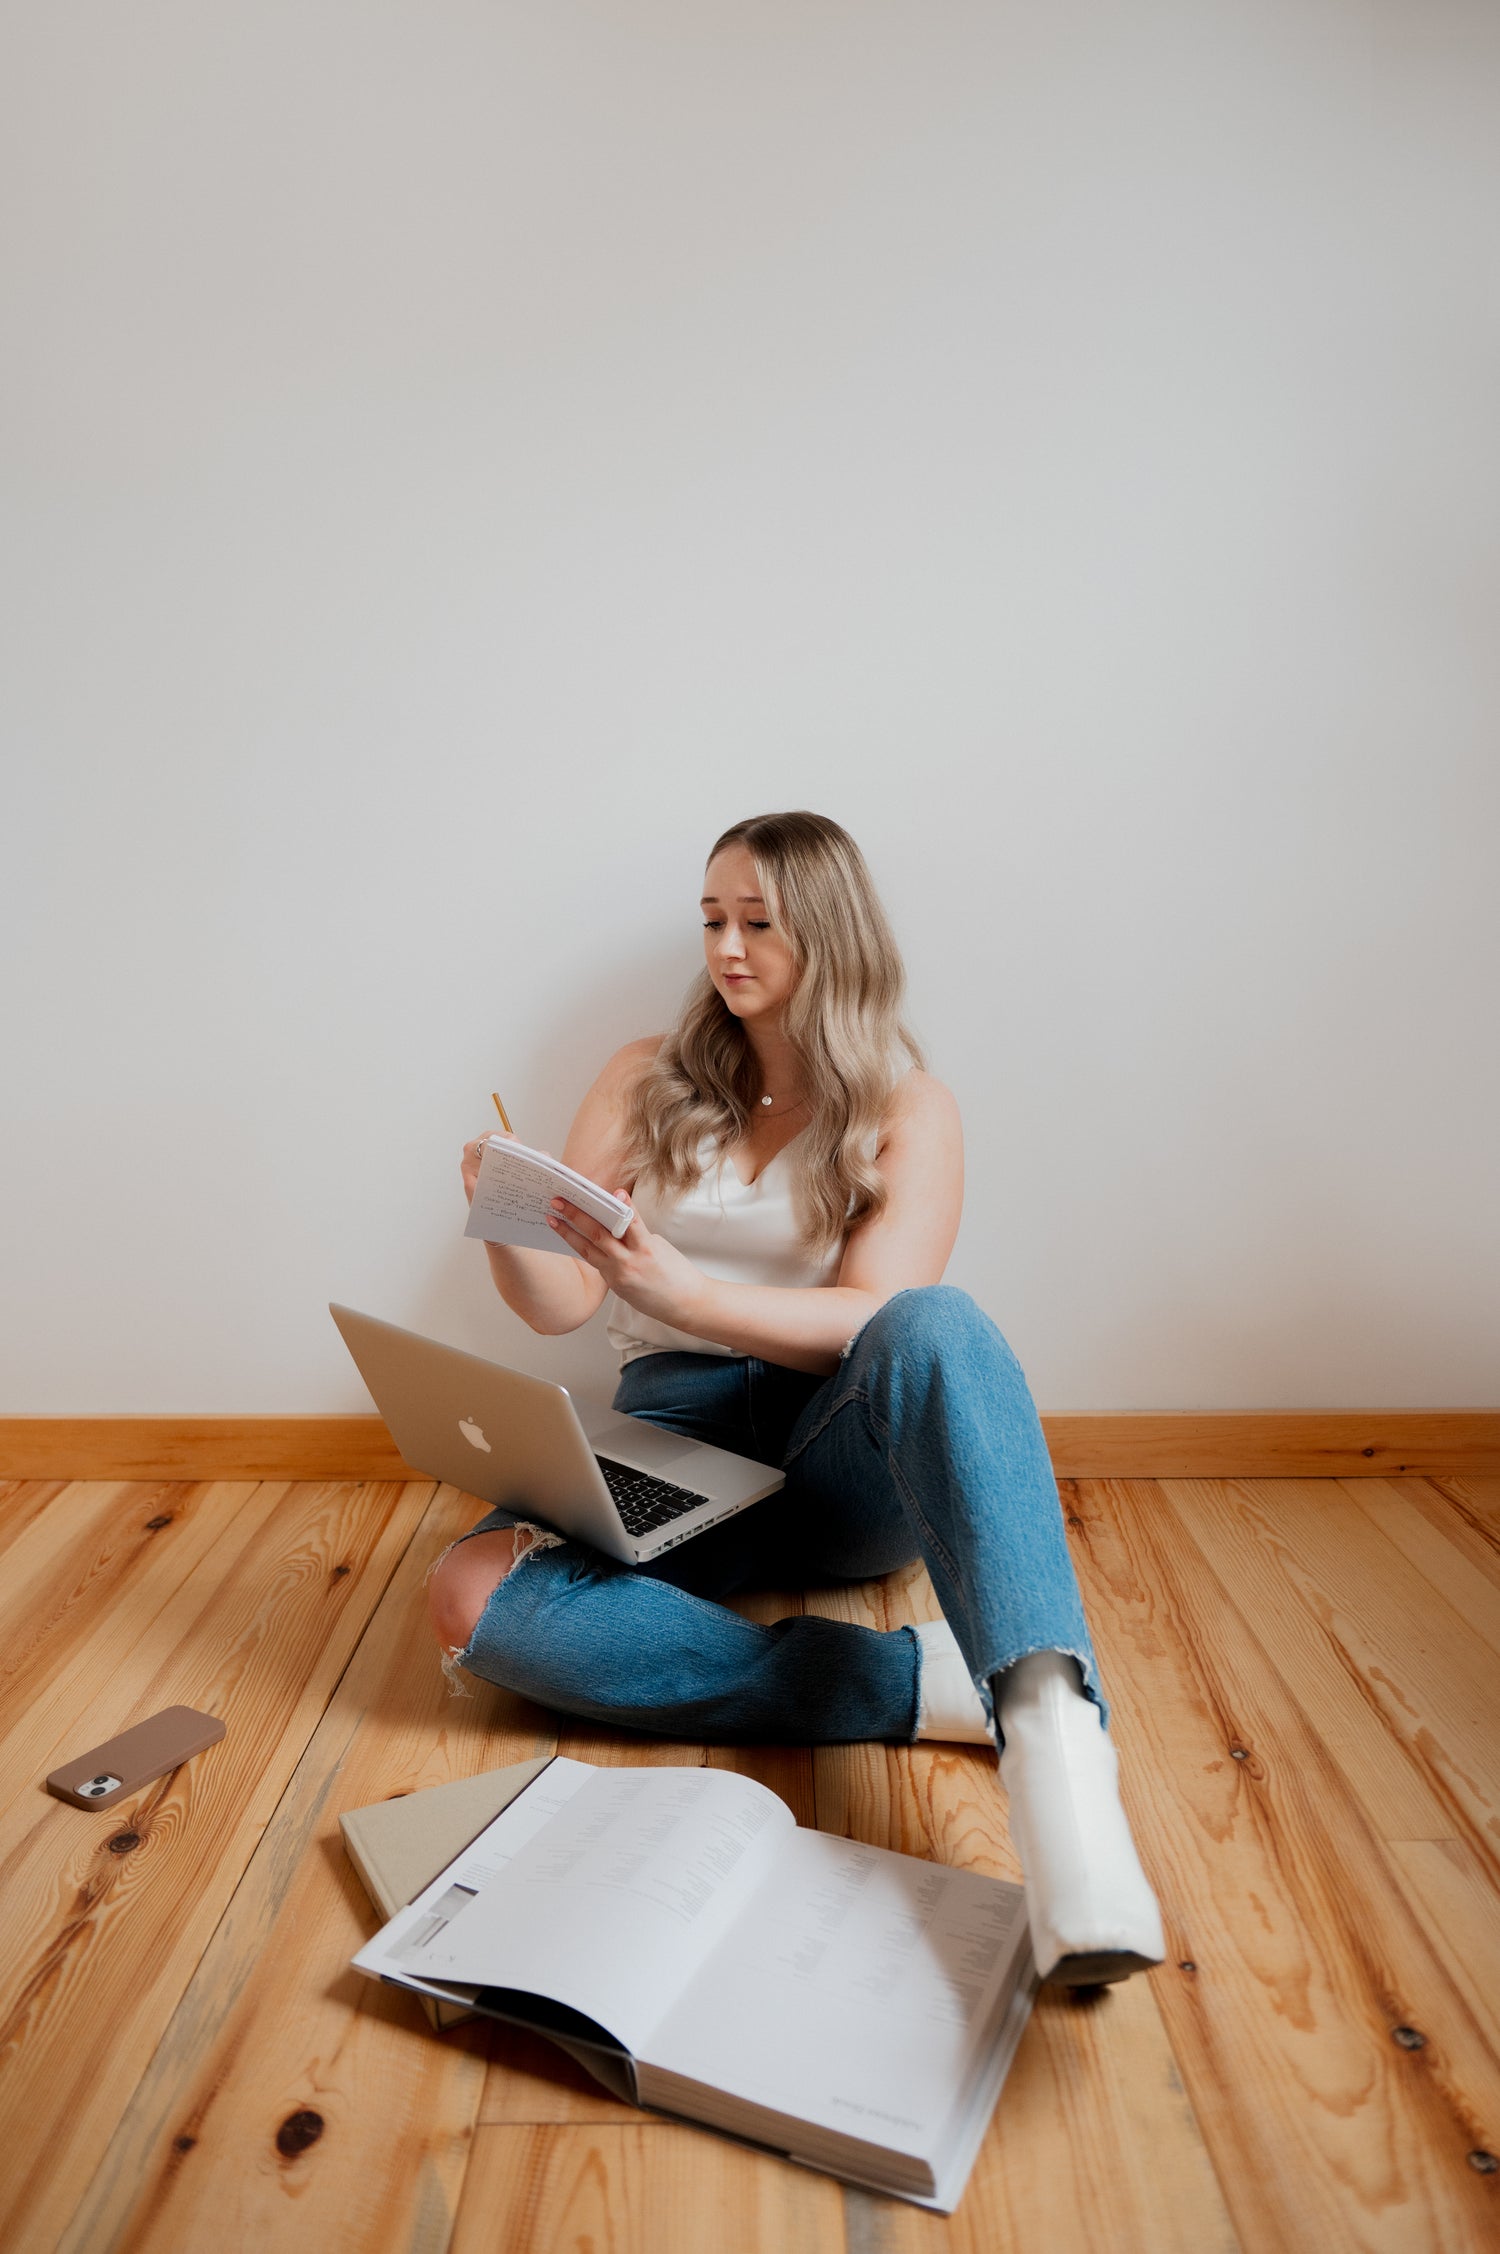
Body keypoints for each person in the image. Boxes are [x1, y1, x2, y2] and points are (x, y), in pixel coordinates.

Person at [430, 810, 1164, 1986]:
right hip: (673, 1425)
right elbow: (561, 1306)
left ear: (830, 936)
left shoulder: (910, 1105)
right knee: (473, 1595)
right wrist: (508, 1220)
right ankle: (916, 1680)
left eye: (759, 923)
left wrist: (688, 1288)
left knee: (940, 1322)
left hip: (840, 1445)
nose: (727, 948)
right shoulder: (642, 1075)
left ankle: (1055, 1746)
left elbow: (874, 1313)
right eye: (713, 918)